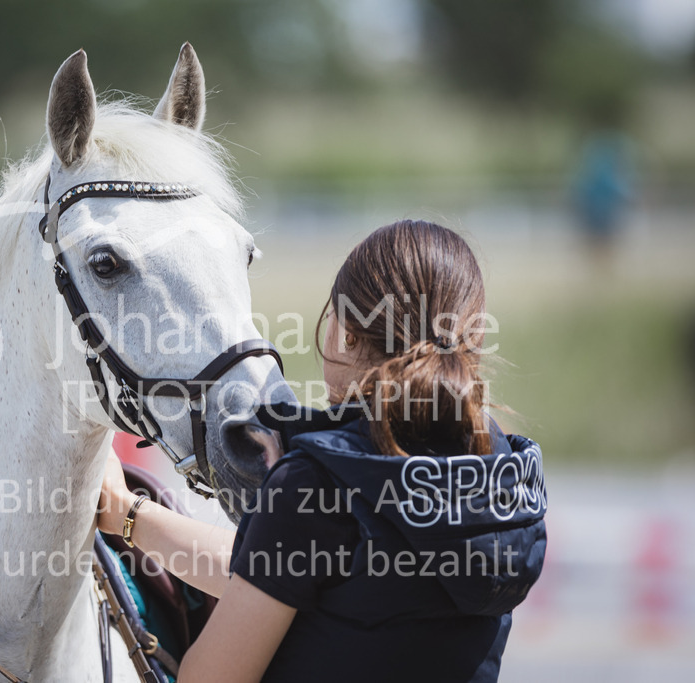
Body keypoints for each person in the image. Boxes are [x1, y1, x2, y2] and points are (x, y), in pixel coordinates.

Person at [97, 220, 547, 682]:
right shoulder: (499, 469)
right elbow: (280, 574)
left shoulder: (319, 480)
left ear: (347, 334)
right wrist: (126, 513)